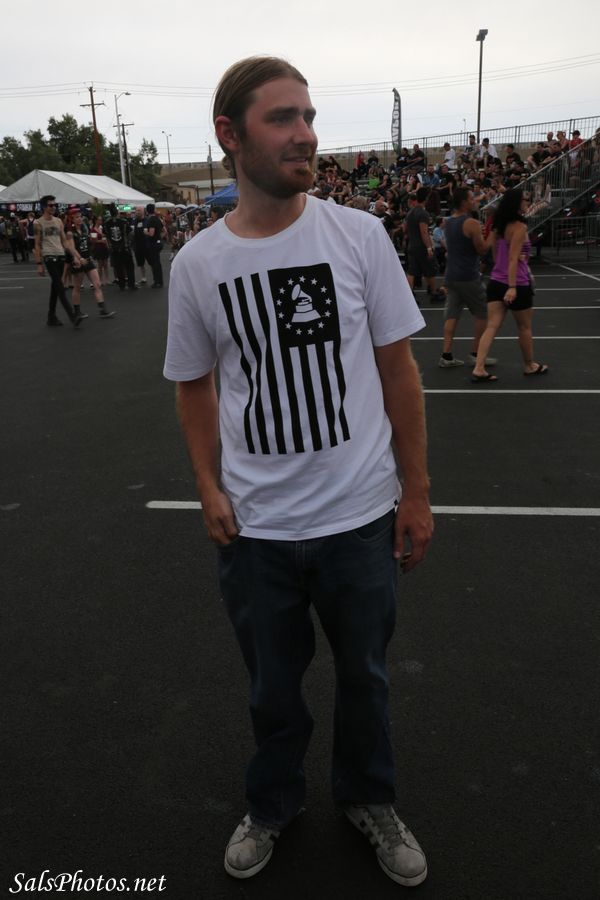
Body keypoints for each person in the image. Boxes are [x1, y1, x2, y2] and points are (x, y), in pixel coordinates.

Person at [163, 55, 433, 888]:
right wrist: (208, 487)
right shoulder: (197, 265)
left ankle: (369, 797)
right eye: (282, 117)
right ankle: (273, 804)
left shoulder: (358, 236)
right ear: (229, 134)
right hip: (257, 532)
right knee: (272, 690)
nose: (306, 134)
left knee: (366, 681)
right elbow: (194, 386)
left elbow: (399, 371)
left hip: (358, 518)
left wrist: (416, 494)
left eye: (308, 116)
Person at [472, 189, 548, 382]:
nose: (528, 202)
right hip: (517, 283)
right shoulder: (519, 227)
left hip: (496, 281)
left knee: (492, 326)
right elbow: (513, 258)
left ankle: (479, 368)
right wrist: (512, 287)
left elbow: (493, 252)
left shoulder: (498, 226)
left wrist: (503, 267)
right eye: (526, 199)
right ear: (516, 202)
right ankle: (529, 365)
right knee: (524, 327)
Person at [438, 187, 497, 369]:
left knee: (452, 314)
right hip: (468, 275)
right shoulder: (471, 223)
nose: (475, 201)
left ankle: (446, 355)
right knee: (482, 313)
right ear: (464, 202)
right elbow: (482, 249)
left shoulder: (448, 222)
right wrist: (493, 234)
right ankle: (476, 353)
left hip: (452, 275)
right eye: (472, 199)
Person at [33, 195, 83, 328]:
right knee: (60, 287)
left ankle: (51, 317)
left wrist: (74, 256)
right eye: (51, 205)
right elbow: (37, 244)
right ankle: (73, 317)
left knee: (55, 288)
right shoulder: (38, 223)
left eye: (55, 205)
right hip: (49, 257)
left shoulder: (58, 221)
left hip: (61, 256)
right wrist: (39, 264)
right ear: (44, 207)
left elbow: (65, 242)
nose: (53, 207)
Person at [64, 207, 116, 319]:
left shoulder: (84, 228)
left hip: (88, 259)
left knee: (97, 284)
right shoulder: (70, 232)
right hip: (78, 262)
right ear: (71, 219)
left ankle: (103, 310)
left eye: (80, 217)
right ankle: (77, 312)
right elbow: (71, 248)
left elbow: (90, 241)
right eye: (76, 217)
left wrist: (94, 241)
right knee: (77, 287)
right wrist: (79, 258)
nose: (79, 219)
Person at [404, 187, 443, 302]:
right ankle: (434, 293)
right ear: (426, 198)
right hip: (421, 247)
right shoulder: (423, 213)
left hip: (412, 245)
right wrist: (429, 248)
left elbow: (405, 229)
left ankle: (409, 296)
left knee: (412, 272)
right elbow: (424, 232)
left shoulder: (410, 212)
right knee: (430, 270)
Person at [104, 204, 137, 291]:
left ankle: (121, 284)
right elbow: (130, 232)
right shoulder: (123, 221)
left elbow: (106, 234)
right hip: (124, 246)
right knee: (129, 266)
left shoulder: (107, 223)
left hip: (114, 247)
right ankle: (131, 284)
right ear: (117, 212)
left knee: (118, 267)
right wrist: (129, 242)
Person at [143, 203, 165, 288]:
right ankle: (160, 281)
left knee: (154, 263)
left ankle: (157, 281)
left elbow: (151, 234)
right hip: (158, 243)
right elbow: (164, 231)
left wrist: (146, 232)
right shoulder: (158, 219)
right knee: (157, 263)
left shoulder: (151, 220)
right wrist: (159, 238)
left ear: (147, 211)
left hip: (153, 244)